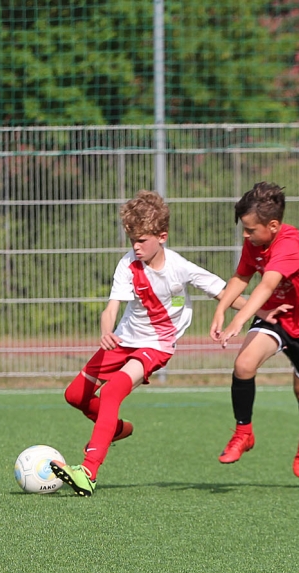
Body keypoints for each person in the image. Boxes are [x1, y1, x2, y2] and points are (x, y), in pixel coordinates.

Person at [51, 190, 246, 497]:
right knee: (75, 395)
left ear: (162, 236)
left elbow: (226, 294)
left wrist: (265, 312)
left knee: (112, 390)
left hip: (157, 346)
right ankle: (116, 428)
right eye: (132, 240)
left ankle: (88, 472)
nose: (136, 247)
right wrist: (106, 331)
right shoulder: (128, 264)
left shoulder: (180, 267)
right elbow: (111, 308)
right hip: (123, 340)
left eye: (142, 240)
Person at [210, 182, 299, 477]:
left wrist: (238, 321)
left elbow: (266, 285)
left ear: (273, 225)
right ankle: (244, 433)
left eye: (250, 229)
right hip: (275, 316)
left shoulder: (288, 245)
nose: (245, 235)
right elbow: (242, 276)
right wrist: (221, 309)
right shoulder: (255, 241)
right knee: (243, 365)